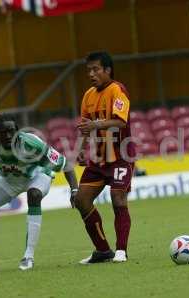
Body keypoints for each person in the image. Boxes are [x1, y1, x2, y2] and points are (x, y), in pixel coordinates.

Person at [0, 114, 78, 273]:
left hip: (37, 176)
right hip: (9, 181)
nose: (7, 136)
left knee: (34, 195)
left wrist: (74, 189)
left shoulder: (31, 144)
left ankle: (28, 256)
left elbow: (65, 164)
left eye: (11, 131)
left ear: (17, 131)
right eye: (3, 132)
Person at [75, 51, 135, 264]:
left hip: (121, 157)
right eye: (88, 70)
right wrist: (81, 150)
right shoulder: (88, 95)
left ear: (107, 70)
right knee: (81, 200)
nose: (91, 74)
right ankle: (102, 251)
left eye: (95, 69)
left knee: (118, 198)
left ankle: (121, 250)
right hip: (98, 160)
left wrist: (96, 125)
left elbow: (121, 122)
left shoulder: (117, 90)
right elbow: (85, 127)